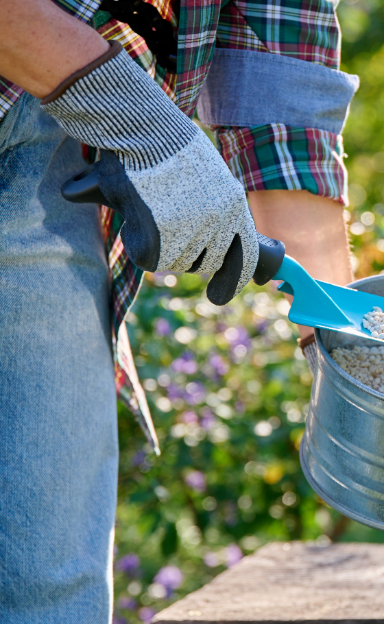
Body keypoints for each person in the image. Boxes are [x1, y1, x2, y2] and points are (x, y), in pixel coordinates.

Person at [0, 0, 357, 621]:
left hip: (57, 162)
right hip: (85, 93)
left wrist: (346, 345)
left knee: (48, 589)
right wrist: (138, 121)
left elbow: (276, 65)